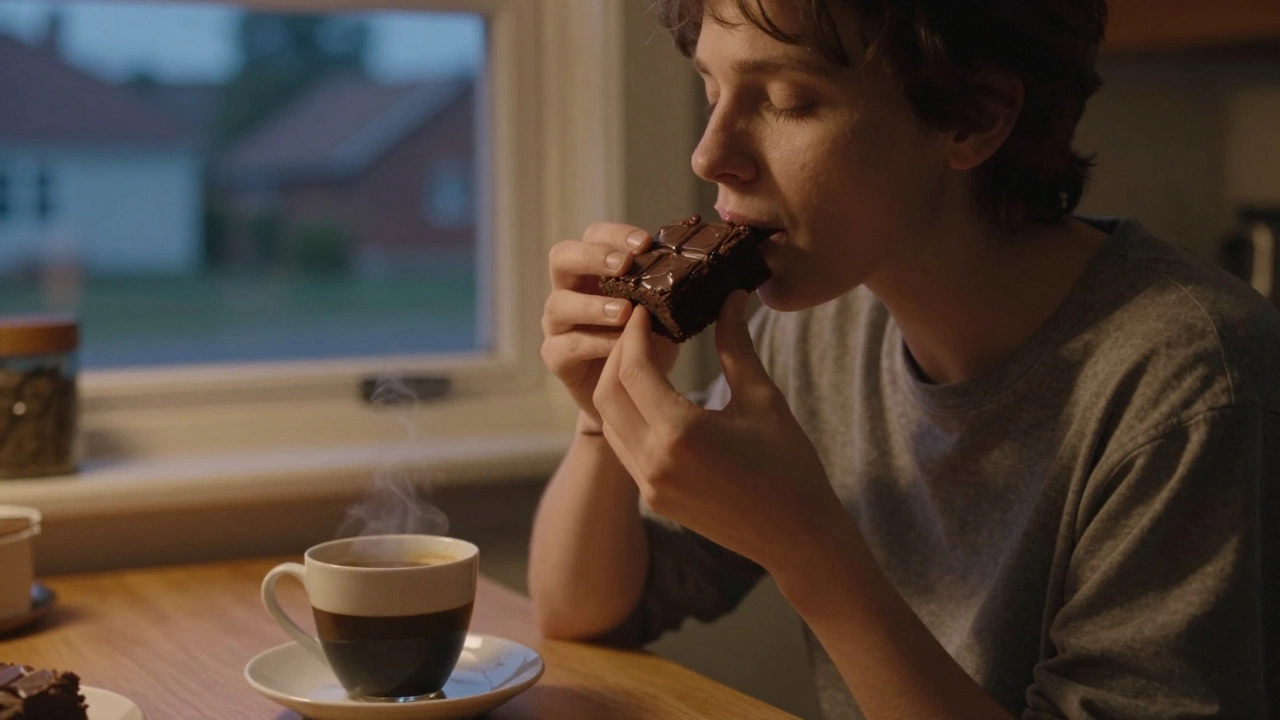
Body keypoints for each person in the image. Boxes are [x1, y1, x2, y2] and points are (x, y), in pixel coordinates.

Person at [528, 0, 1280, 718]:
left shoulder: (1191, 380)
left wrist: (811, 550)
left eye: (788, 98)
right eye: (710, 84)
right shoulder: (828, 326)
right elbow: (583, 611)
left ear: (974, 117)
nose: (710, 154)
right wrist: (602, 417)